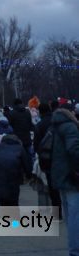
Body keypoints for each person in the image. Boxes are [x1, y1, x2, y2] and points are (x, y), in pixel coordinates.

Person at [51, 105, 79, 256]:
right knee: (75, 216)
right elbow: (73, 150)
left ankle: (73, 246)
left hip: (60, 175)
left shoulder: (55, 127)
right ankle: (75, 249)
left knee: (70, 215)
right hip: (72, 176)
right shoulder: (70, 127)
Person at [34, 102, 62, 216]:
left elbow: (36, 144)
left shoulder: (39, 125)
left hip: (47, 159)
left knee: (51, 186)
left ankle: (57, 212)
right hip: (60, 157)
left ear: (40, 112)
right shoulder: (57, 122)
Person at [0, 133, 32, 206]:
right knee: (13, 201)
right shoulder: (20, 148)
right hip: (13, 176)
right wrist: (29, 175)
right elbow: (27, 164)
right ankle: (14, 217)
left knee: (3, 201)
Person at [7, 98, 33, 163]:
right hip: (27, 138)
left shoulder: (12, 113)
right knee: (29, 156)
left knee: (19, 158)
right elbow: (30, 124)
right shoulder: (27, 112)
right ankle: (31, 170)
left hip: (17, 139)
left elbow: (9, 127)